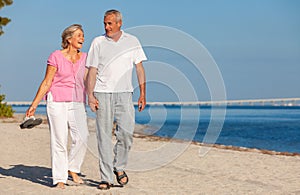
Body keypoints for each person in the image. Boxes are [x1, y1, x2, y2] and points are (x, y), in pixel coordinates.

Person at [86, 9, 147, 190]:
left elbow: (140, 68)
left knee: (126, 134)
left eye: (110, 23)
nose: (107, 27)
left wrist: (143, 92)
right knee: (103, 136)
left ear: (119, 23)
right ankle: (106, 178)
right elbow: (92, 71)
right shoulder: (98, 42)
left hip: (125, 93)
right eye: (105, 23)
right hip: (102, 93)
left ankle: (118, 167)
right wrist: (90, 95)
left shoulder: (132, 41)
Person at [25, 24, 89, 189]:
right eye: (79, 35)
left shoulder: (86, 58)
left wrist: (94, 98)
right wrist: (34, 105)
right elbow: (47, 82)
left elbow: (89, 82)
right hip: (57, 101)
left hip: (77, 101)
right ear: (69, 39)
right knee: (60, 140)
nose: (82, 38)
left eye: (83, 35)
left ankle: (72, 168)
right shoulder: (56, 56)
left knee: (83, 136)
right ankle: (60, 178)